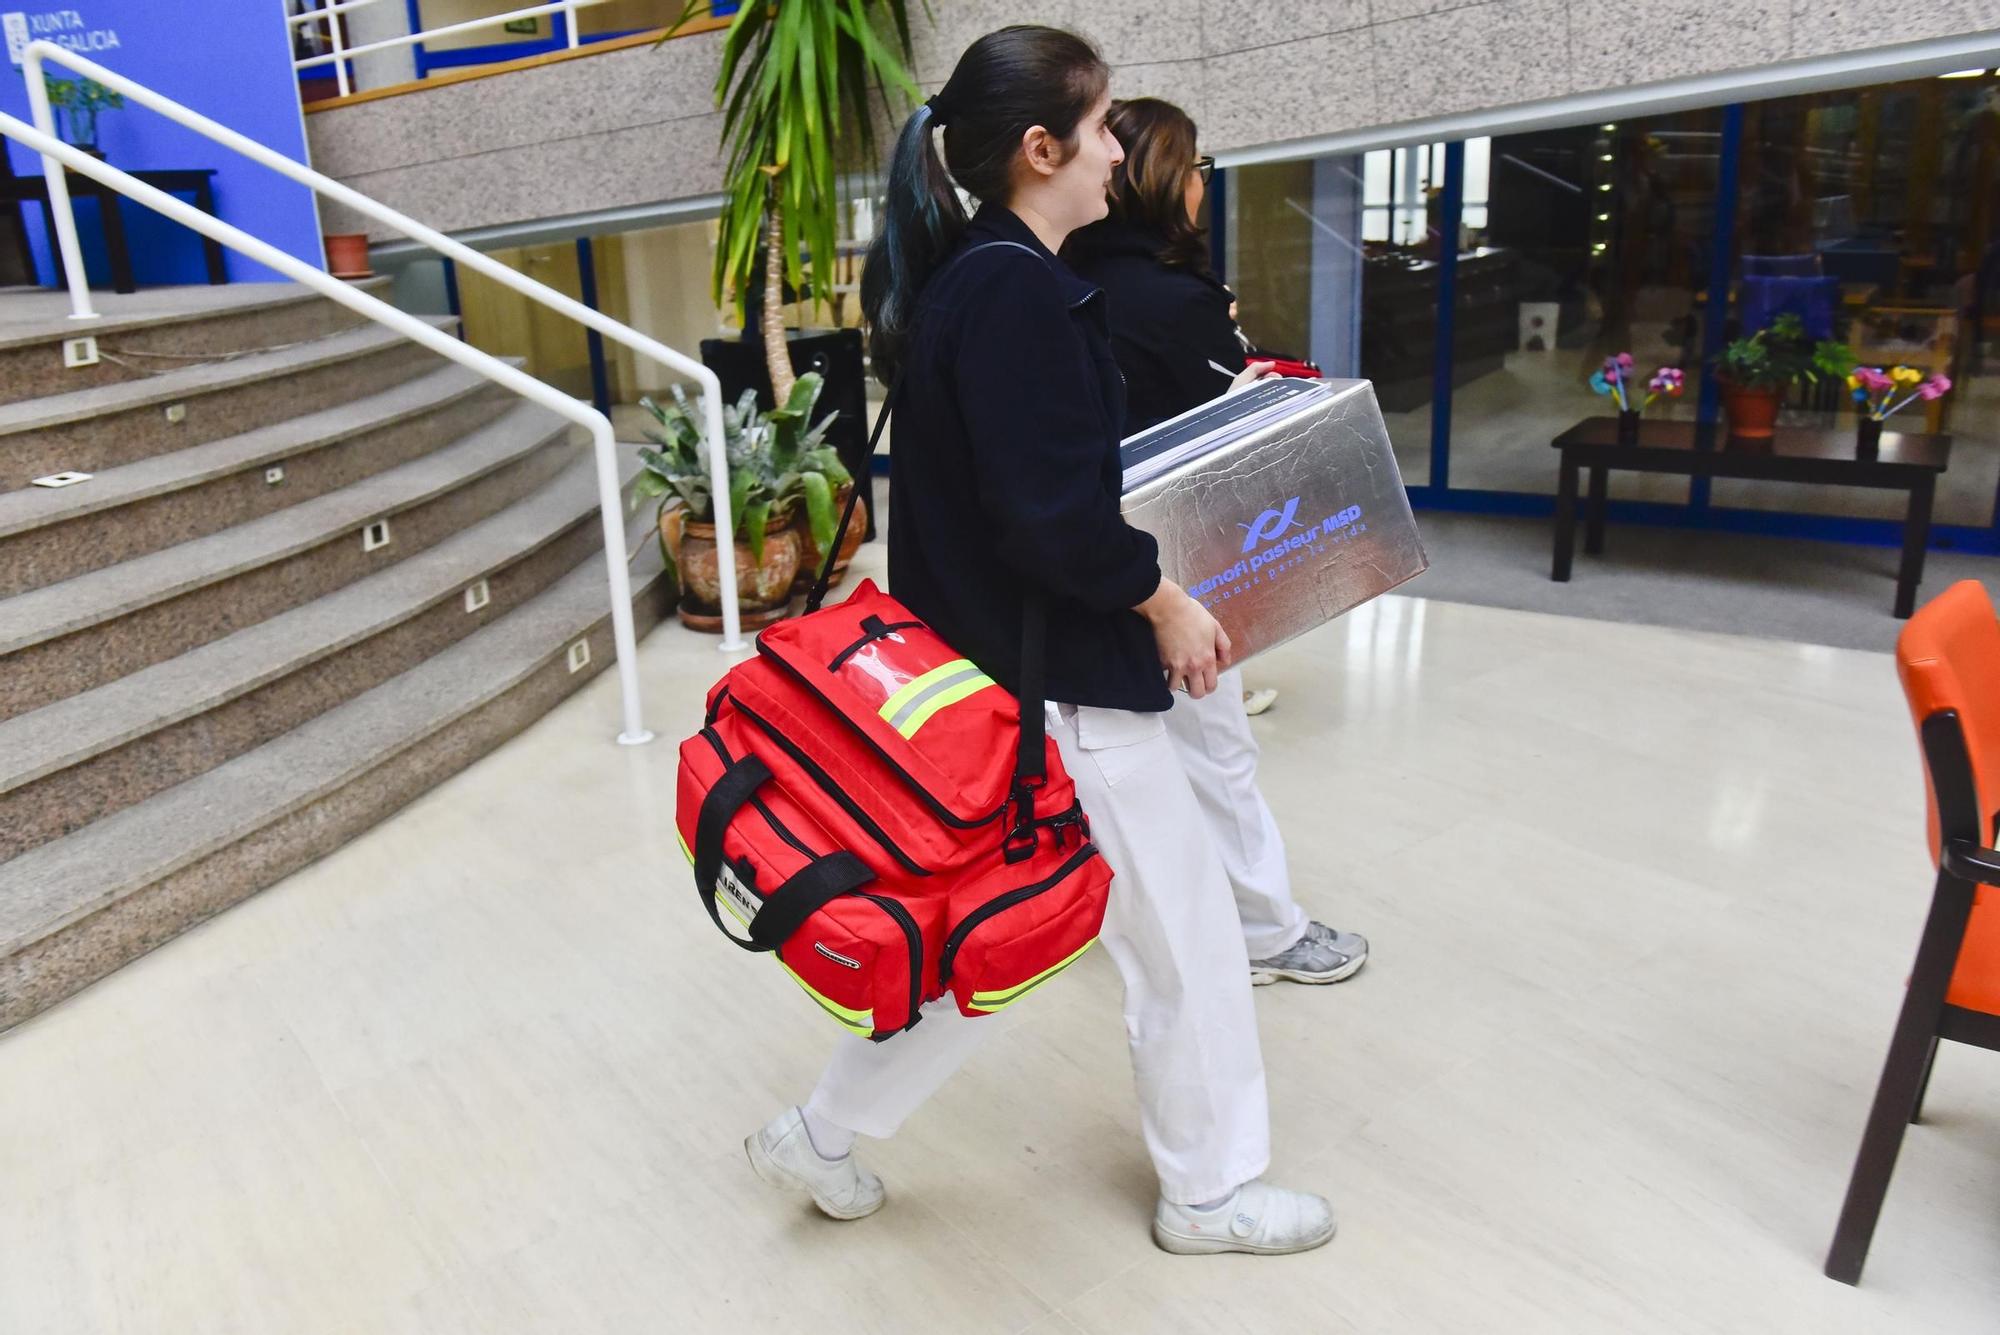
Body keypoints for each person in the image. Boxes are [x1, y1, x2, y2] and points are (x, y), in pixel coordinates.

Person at [742, 26, 1336, 1257]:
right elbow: (1053, 518)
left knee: (1004, 939)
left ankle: (822, 1130)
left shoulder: (980, 275)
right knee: (1185, 947)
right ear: (1038, 146)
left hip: (1012, 688)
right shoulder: (1012, 288)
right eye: (1107, 123)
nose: (1118, 149)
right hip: (1059, 693)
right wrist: (1164, 604)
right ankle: (1211, 1193)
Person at [1067, 96, 1370, 989]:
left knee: (1125, 757)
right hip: (1176, 565)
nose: (1203, 185)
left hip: (1091, 559)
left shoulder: (1060, 282)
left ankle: (1143, 912)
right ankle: (1267, 931)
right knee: (1217, 747)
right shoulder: (1169, 297)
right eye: (1196, 168)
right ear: (1164, 180)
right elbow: (1222, 424)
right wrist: (1235, 355)